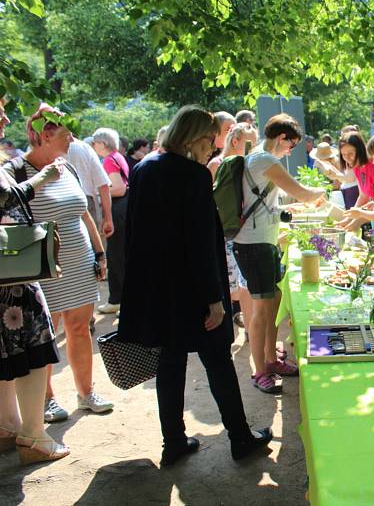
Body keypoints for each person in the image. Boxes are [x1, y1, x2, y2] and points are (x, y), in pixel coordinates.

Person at [118, 105, 272, 465]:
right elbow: (201, 242)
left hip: (160, 291)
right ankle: (240, 438)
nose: (213, 148)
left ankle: (173, 442)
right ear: (191, 138)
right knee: (218, 362)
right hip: (194, 292)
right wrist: (214, 298)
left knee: (170, 365)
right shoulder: (193, 175)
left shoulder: (143, 169)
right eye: (209, 140)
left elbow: (136, 237)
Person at [3, 104, 114, 423]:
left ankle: (86, 392)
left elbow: (82, 212)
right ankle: (47, 399)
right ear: (44, 136)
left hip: (78, 261)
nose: (72, 139)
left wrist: (99, 251)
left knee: (80, 329)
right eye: (66, 134)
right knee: (44, 333)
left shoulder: (68, 166)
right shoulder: (16, 171)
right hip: (40, 266)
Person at [233, 114, 326, 394]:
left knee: (273, 300)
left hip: (265, 241)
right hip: (254, 244)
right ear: (281, 138)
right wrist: (324, 190)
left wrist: (288, 211)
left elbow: (267, 202)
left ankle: (271, 360)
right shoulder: (265, 160)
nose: (290, 151)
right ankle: (259, 371)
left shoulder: (259, 159)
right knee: (262, 309)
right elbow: (303, 193)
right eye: (291, 145)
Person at [0, 97, 69, 465]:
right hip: (12, 274)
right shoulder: (11, 165)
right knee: (33, 348)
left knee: (8, 350)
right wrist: (42, 178)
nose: (5, 118)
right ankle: (33, 435)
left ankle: (9, 427)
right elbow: (4, 196)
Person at [207, 122, 258, 339]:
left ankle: (248, 328)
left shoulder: (245, 163)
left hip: (241, 231)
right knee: (230, 284)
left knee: (243, 283)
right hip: (225, 232)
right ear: (236, 141)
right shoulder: (217, 164)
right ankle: (226, 332)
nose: (253, 148)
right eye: (250, 143)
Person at [91, 128, 129, 315]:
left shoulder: (108, 160)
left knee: (116, 257)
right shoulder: (118, 156)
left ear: (102, 143)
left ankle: (119, 300)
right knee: (119, 255)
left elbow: (119, 188)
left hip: (118, 209)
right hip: (124, 209)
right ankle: (117, 299)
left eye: (95, 142)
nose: (93, 146)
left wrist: (98, 193)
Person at [66, 140, 113, 239]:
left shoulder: (41, 147)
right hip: (86, 201)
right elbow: (103, 184)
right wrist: (108, 218)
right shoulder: (83, 148)